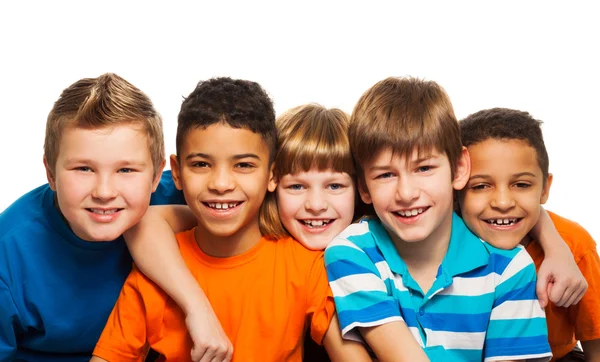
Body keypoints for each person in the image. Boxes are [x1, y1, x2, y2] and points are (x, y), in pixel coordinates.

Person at [91, 78, 372, 362]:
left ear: (272, 175)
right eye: (201, 164)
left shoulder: (306, 267)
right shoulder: (157, 272)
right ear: (176, 172)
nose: (221, 184)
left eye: (243, 165)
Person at [324, 76, 553, 361]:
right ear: (363, 188)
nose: (406, 193)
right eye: (385, 175)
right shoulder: (352, 253)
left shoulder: (509, 269)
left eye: (424, 168)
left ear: (458, 168)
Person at [0, 73, 186, 361]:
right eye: (83, 169)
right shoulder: (9, 254)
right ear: (50, 173)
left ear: (155, 174)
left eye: (126, 170)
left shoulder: (185, 201)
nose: (104, 191)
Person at [458, 107, 600, 361]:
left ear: (545, 188)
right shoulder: (442, 242)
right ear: (456, 189)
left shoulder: (575, 244)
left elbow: (596, 346)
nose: (502, 202)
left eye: (521, 184)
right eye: (480, 186)